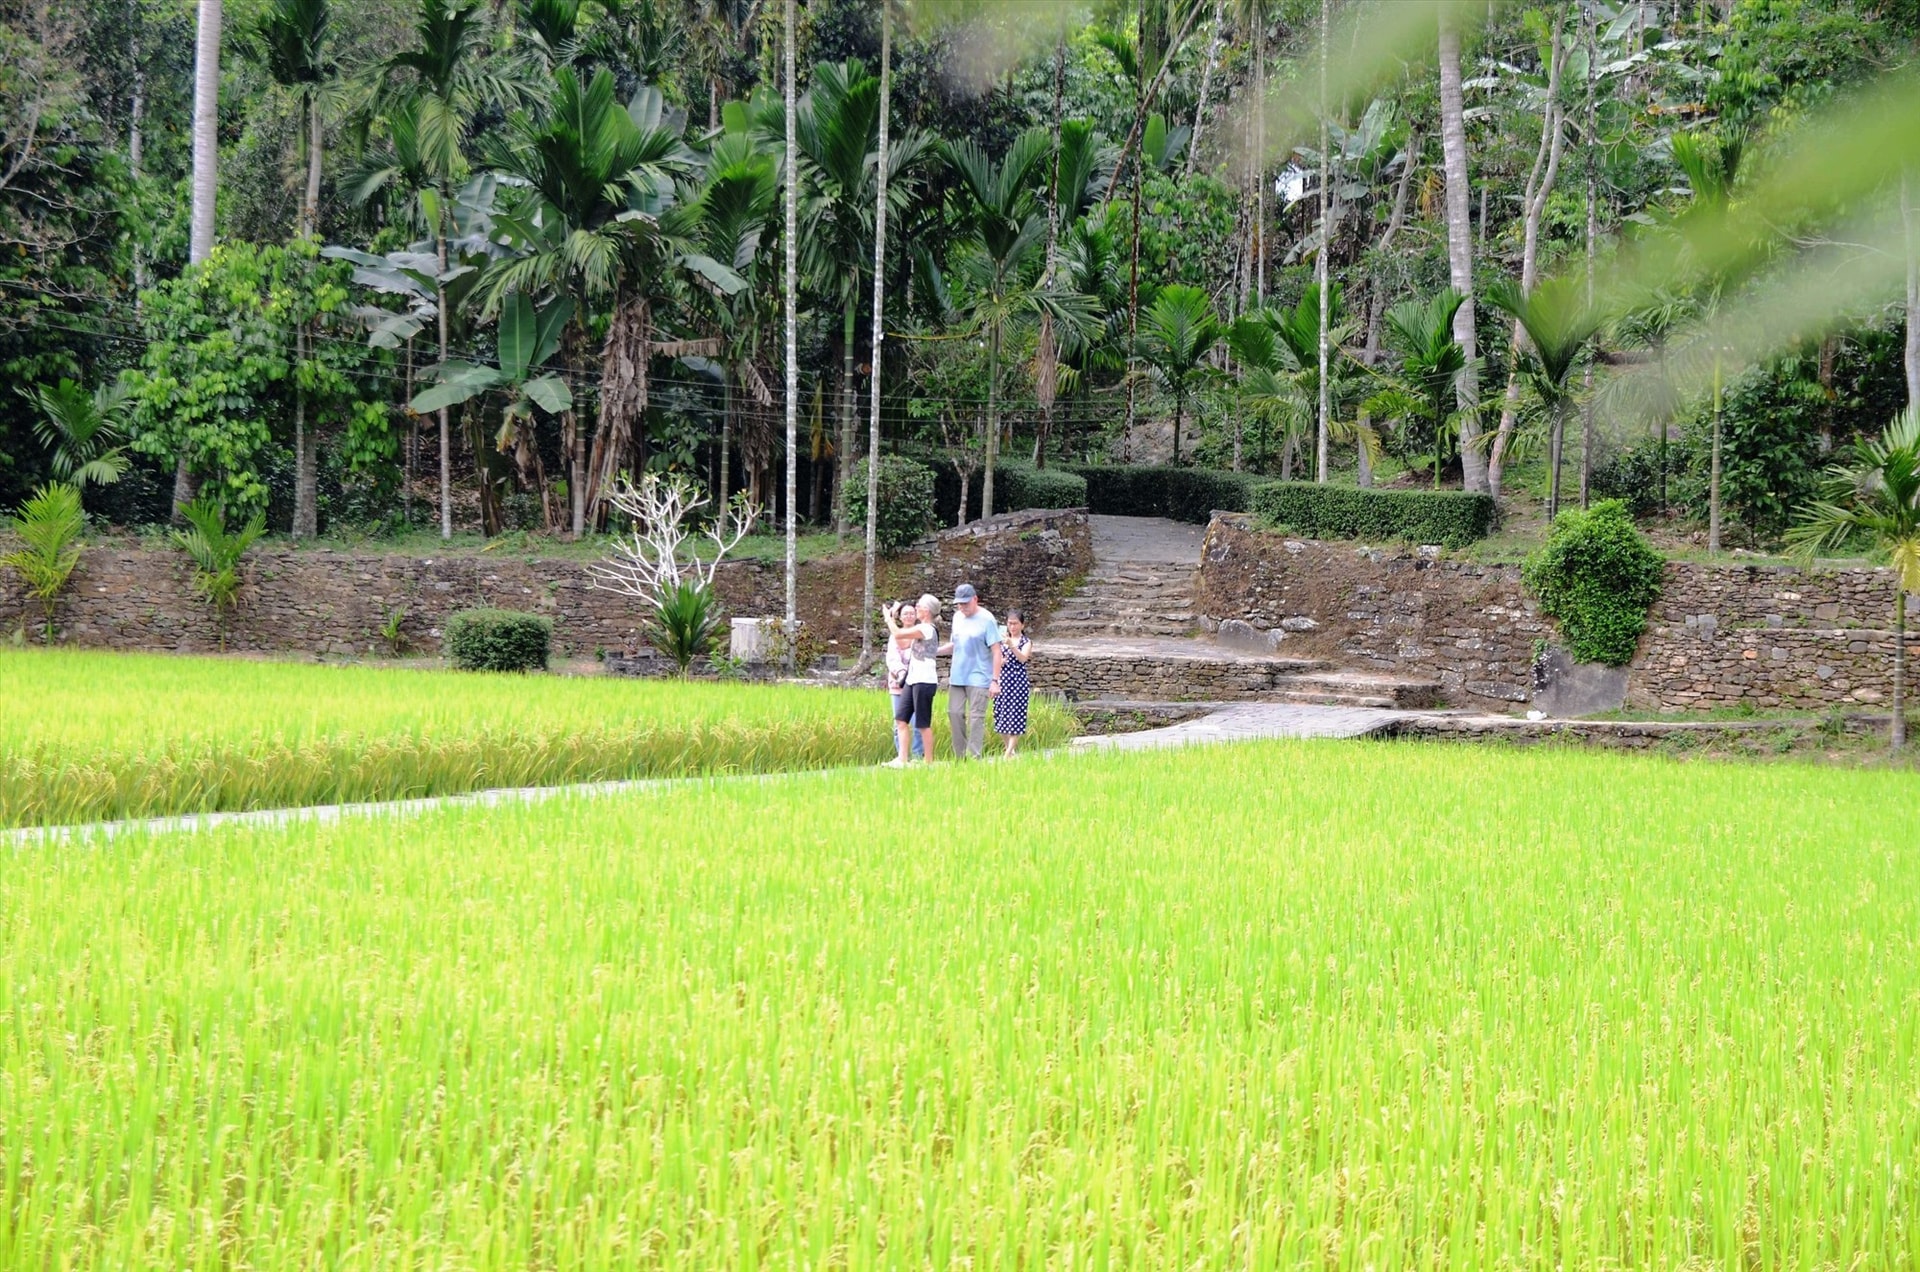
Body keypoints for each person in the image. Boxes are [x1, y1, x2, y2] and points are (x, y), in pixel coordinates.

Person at [940, 582, 1003, 760]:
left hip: (980, 676)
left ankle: (974, 756)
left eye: (965, 603)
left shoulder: (987, 619)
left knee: (976, 718)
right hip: (958, 675)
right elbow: (955, 644)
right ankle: (960, 757)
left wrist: (995, 680)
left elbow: (996, 650)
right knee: (954, 713)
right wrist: (934, 651)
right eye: (959, 604)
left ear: (975, 599)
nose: (962, 607)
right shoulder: (957, 618)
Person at [883, 594, 940, 767]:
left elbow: (898, 633)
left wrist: (887, 619)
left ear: (927, 610)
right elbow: (901, 642)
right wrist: (894, 617)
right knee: (901, 719)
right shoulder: (920, 629)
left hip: (924, 680)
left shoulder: (927, 629)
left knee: (922, 723)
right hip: (912, 679)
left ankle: (928, 761)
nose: (916, 609)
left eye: (919, 606)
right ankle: (902, 758)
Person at [882, 599, 925, 759]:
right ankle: (902, 755)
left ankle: (918, 755)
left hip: (915, 683)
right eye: (905, 613)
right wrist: (900, 672)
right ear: (900, 617)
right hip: (897, 684)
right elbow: (892, 658)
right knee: (899, 722)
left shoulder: (920, 634)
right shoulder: (894, 637)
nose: (908, 616)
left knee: (917, 722)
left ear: (916, 615)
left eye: (912, 613)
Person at [993, 608, 1034, 756]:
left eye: (1015, 624)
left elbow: (1023, 658)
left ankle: (1008, 753)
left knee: (1016, 715)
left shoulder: (1026, 641)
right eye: (1010, 624)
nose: (1012, 627)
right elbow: (995, 658)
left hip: (1018, 682)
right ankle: (1010, 750)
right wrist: (1000, 661)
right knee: (1001, 715)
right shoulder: (1001, 641)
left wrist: (1012, 645)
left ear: (1022, 625)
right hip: (1003, 680)